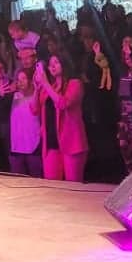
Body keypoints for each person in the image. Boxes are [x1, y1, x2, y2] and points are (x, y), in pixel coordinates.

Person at [34, 54, 89, 182]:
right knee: (52, 186)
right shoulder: (50, 87)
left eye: (56, 62)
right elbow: (34, 109)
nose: (52, 66)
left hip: (71, 143)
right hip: (51, 143)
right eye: (50, 64)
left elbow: (63, 103)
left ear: (64, 63)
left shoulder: (75, 84)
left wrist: (45, 83)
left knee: (72, 186)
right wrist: (37, 89)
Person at [8, 68, 44, 177]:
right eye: (18, 80)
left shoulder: (37, 96)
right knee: (18, 181)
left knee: (36, 179)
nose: (21, 82)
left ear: (31, 80)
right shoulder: (13, 97)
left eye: (24, 78)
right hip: (16, 146)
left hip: (34, 145)